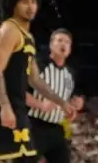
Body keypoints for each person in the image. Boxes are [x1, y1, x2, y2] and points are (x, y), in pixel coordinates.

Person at [0, 0, 72, 163]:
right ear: (13, 4)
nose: (30, 6)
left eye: (34, 2)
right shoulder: (9, 30)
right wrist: (5, 107)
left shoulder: (27, 36)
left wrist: (61, 102)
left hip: (11, 106)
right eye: (24, 2)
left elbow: (35, 79)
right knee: (25, 158)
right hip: (7, 105)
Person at [27, 29, 83, 163]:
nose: (63, 44)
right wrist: (39, 104)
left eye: (67, 42)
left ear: (70, 49)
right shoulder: (39, 65)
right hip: (34, 125)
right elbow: (18, 92)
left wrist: (77, 104)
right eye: (59, 40)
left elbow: (73, 98)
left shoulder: (71, 73)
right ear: (51, 45)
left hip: (57, 128)